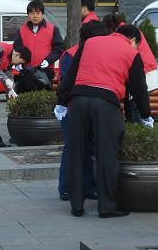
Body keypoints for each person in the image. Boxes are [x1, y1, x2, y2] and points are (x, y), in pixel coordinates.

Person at [56, 24, 151, 218]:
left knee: (77, 152)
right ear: (132, 41)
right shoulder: (131, 53)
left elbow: (72, 74)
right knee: (106, 154)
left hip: (78, 100)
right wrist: (145, 114)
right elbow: (139, 89)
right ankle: (107, 206)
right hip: (105, 103)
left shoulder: (89, 43)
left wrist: (62, 101)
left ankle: (76, 205)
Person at [57, 21, 106, 202]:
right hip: (71, 108)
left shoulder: (95, 54)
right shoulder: (71, 55)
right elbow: (67, 84)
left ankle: (88, 187)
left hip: (88, 107)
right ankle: (66, 187)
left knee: (88, 148)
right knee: (72, 147)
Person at [13, 0, 64, 82]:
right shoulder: (21, 30)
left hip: (45, 72)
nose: (35, 16)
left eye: (38, 13)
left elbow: (59, 49)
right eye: (32, 13)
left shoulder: (53, 29)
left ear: (42, 14)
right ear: (28, 15)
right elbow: (16, 49)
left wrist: (48, 60)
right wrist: (18, 64)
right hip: (26, 72)